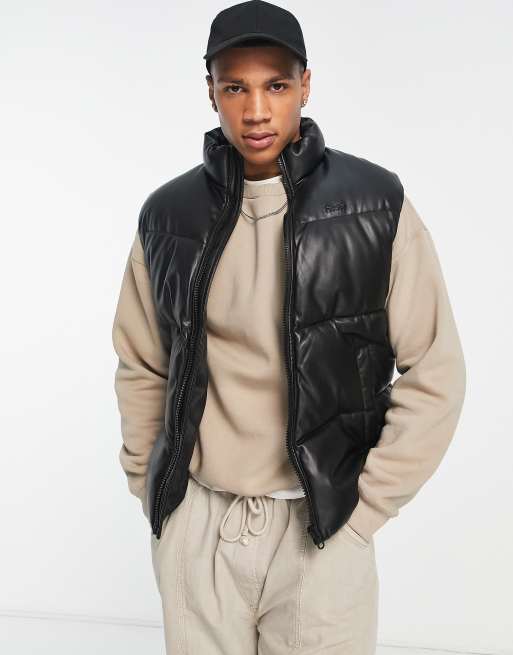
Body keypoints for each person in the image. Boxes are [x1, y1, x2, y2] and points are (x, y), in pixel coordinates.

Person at [111, 1, 466, 652]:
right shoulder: (167, 216)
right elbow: (142, 363)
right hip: (199, 526)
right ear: (210, 91)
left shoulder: (374, 204)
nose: (255, 111)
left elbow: (435, 369)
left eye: (275, 85)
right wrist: (156, 494)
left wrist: (363, 514)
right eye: (235, 87)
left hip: (320, 529)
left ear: (305, 85)